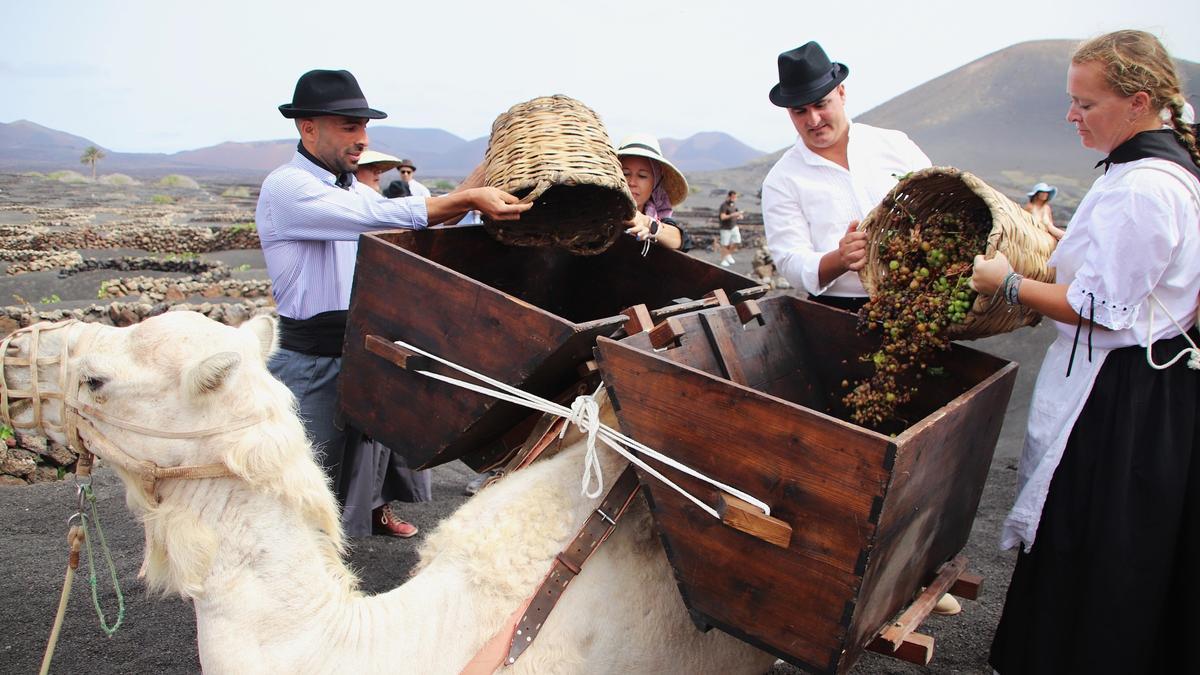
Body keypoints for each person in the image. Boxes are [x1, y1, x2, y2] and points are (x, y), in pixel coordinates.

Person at [971, 30, 1200, 674]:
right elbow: (1133, 271)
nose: (1072, 116)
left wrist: (1006, 283)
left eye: (1085, 103)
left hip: (1119, 399)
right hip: (1151, 389)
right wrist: (1065, 240)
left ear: (1139, 102)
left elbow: (1105, 308)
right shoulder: (1159, 171)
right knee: (1125, 546)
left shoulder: (1142, 188)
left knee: (1093, 540)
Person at [257, 69, 529, 537]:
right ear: (307, 128)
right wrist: (466, 197)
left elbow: (426, 228)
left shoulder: (355, 191)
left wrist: (487, 174)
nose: (362, 138)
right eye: (349, 126)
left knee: (353, 475)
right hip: (310, 363)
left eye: (364, 126)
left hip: (360, 351)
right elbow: (378, 216)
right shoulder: (287, 188)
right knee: (300, 482)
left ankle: (327, 577)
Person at [762, 41, 932, 313]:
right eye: (800, 111)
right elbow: (790, 260)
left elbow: (934, 200)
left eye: (821, 104)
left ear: (841, 93)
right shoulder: (781, 180)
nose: (813, 119)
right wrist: (839, 259)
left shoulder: (895, 145)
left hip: (918, 295)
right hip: (839, 312)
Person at [616, 133, 693, 252]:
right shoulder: (599, 213)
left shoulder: (659, 218)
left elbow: (683, 241)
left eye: (642, 176)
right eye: (625, 173)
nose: (632, 182)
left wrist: (647, 223)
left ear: (655, 183)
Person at [717, 190, 743, 266]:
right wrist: (733, 215)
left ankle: (728, 255)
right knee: (725, 244)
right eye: (733, 197)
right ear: (729, 197)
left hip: (734, 226)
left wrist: (739, 216)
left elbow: (737, 213)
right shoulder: (724, 205)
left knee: (737, 241)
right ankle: (723, 260)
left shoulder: (734, 204)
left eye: (735, 197)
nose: (734, 198)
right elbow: (722, 217)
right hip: (725, 228)